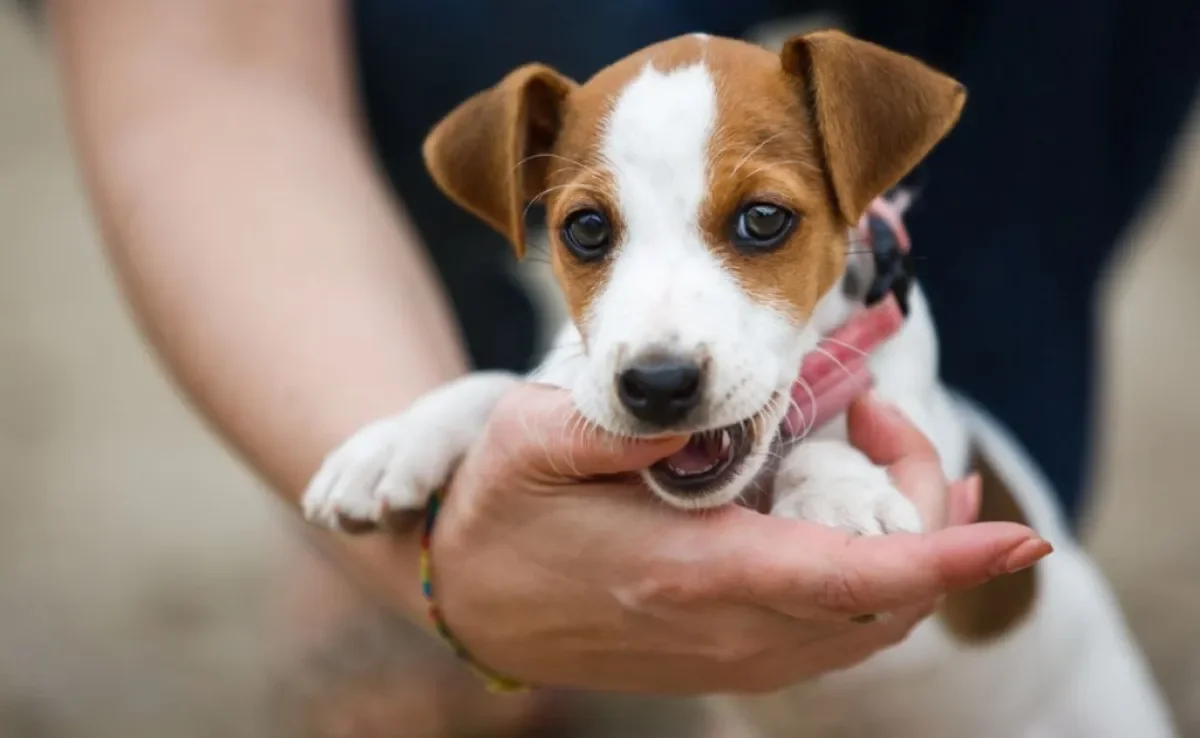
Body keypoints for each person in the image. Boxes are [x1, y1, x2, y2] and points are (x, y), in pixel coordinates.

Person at [41, 0, 1195, 736]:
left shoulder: (893, 339)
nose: (658, 344)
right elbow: (534, 412)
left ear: (863, 196)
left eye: (758, 224)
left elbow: (889, 486)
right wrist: (449, 426)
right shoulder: (620, 316)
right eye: (592, 232)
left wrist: (818, 473)